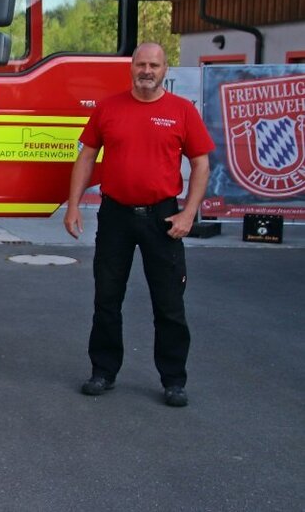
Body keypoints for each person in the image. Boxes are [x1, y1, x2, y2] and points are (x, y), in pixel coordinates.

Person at [64, 42, 214, 408]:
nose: (147, 71)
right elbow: (86, 156)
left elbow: (201, 164)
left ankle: (174, 381)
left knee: (168, 304)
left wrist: (188, 213)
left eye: (154, 65)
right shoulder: (108, 108)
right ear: (131, 67)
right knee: (106, 298)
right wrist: (72, 206)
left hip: (163, 219)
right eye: (141, 64)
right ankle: (103, 372)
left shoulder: (182, 112)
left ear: (165, 70)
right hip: (115, 216)